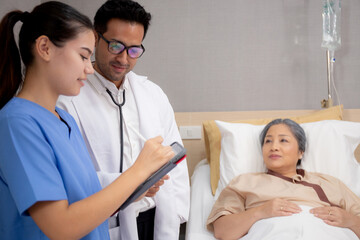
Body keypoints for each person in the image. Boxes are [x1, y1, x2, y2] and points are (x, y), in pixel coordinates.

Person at [0, 1, 174, 239]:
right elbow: (61, 227)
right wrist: (139, 172)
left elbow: (88, 199)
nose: (89, 69)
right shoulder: (17, 124)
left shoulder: (65, 121)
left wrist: (139, 186)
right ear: (45, 48)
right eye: (83, 56)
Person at [56, 0, 190, 239]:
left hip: (157, 220)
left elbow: (175, 160)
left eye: (134, 50)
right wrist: (132, 183)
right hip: (104, 223)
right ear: (96, 38)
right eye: (116, 46)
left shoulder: (153, 94)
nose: (124, 59)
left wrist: (177, 215)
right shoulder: (68, 98)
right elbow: (71, 176)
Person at [206, 119, 360, 239]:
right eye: (268, 141)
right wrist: (260, 212)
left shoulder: (329, 183)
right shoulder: (244, 183)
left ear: (300, 152)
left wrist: (350, 220)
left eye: (283, 140)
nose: (274, 147)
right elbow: (222, 231)